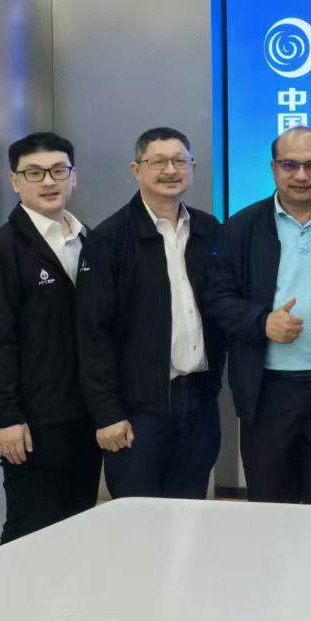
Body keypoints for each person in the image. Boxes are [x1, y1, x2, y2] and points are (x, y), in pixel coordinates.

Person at [209, 127, 311, 505]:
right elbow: (216, 299)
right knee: (271, 511)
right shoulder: (241, 226)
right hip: (266, 393)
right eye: (289, 165)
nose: (301, 175)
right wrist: (262, 321)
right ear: (273, 168)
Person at [78, 127, 226, 500]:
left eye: (179, 161)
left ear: (193, 167)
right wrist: (107, 414)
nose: (170, 170)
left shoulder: (209, 230)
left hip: (200, 401)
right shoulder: (109, 238)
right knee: (138, 518)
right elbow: (93, 335)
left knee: (191, 511)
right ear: (136, 170)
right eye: (158, 162)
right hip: (138, 411)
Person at [0, 131, 100, 541]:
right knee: (30, 530)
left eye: (58, 170)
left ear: (73, 177)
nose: (48, 181)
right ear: (15, 181)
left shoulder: (91, 241)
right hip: (34, 422)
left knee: (79, 525)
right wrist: (5, 417)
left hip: (88, 416)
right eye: (34, 172)